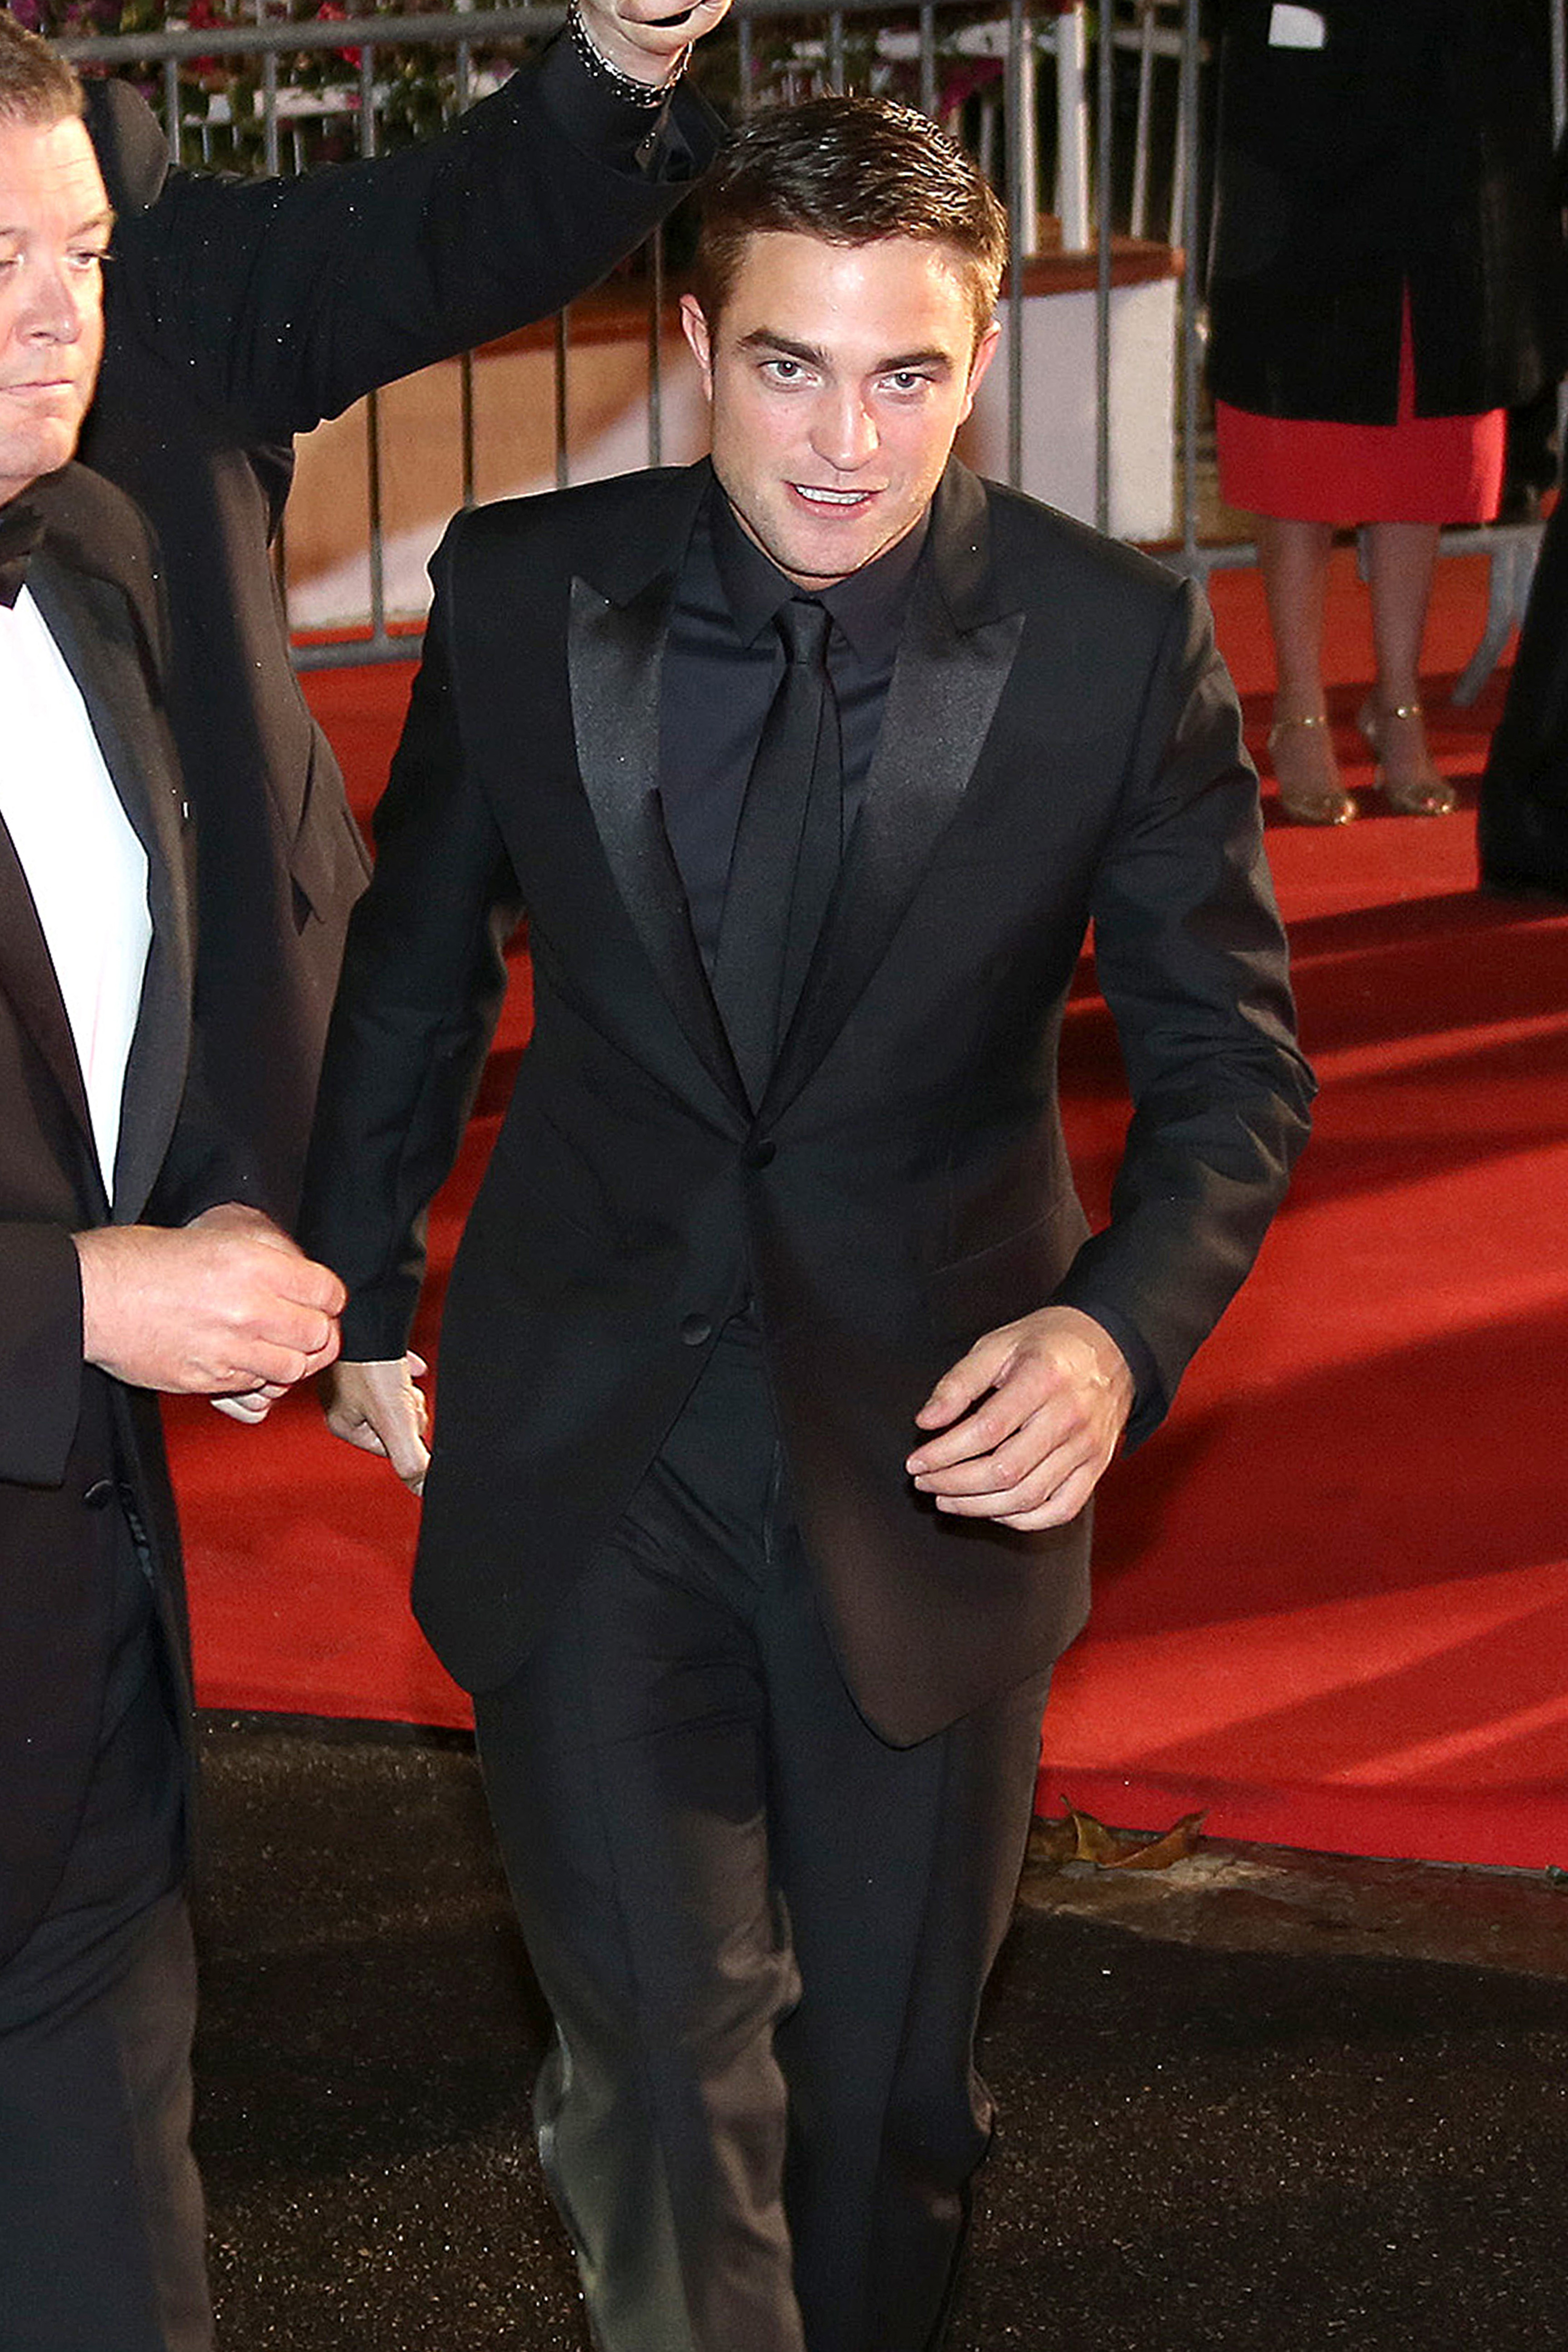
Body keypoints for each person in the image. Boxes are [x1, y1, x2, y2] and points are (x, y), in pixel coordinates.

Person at [299, 95, 1314, 2352]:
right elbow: (418, 957)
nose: (847, 443)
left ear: (980, 361)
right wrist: (360, 1280)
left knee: (881, 2107)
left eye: (906, 375)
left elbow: (1232, 1068)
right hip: (592, 1439)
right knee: (668, 2076)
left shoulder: (1110, 640)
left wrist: (1109, 1335)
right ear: (693, 344)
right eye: (789, 367)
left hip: (934, 1459)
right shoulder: (523, 591)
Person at [0, 20, 347, 2348]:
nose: (61, 316)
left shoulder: (100, 562)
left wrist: (228, 1236)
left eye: (87, 256)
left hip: (81, 1681)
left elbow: (134, 1041)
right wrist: (79, 1308)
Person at [73, 0, 730, 1215]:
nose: (41, 314)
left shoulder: (114, 224)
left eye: (57, 259)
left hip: (204, 1028)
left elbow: (428, 239)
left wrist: (625, 54)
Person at [1206, 0, 1563, 825]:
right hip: (1305, 95)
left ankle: (1398, 701)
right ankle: (1299, 705)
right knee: (1297, 419)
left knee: (1425, 412)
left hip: (1459, 88)